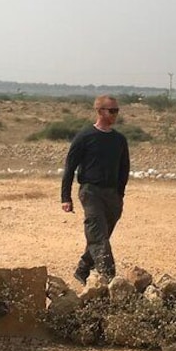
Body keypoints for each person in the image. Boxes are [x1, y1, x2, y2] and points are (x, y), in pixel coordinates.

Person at [61, 95, 130, 285]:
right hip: (91, 191)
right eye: (112, 110)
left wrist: (120, 194)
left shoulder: (119, 140)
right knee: (98, 235)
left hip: (112, 194)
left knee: (101, 235)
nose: (115, 114)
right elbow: (70, 167)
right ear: (99, 111)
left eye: (117, 110)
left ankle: (83, 269)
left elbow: (124, 168)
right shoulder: (85, 137)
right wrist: (65, 197)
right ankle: (109, 279)